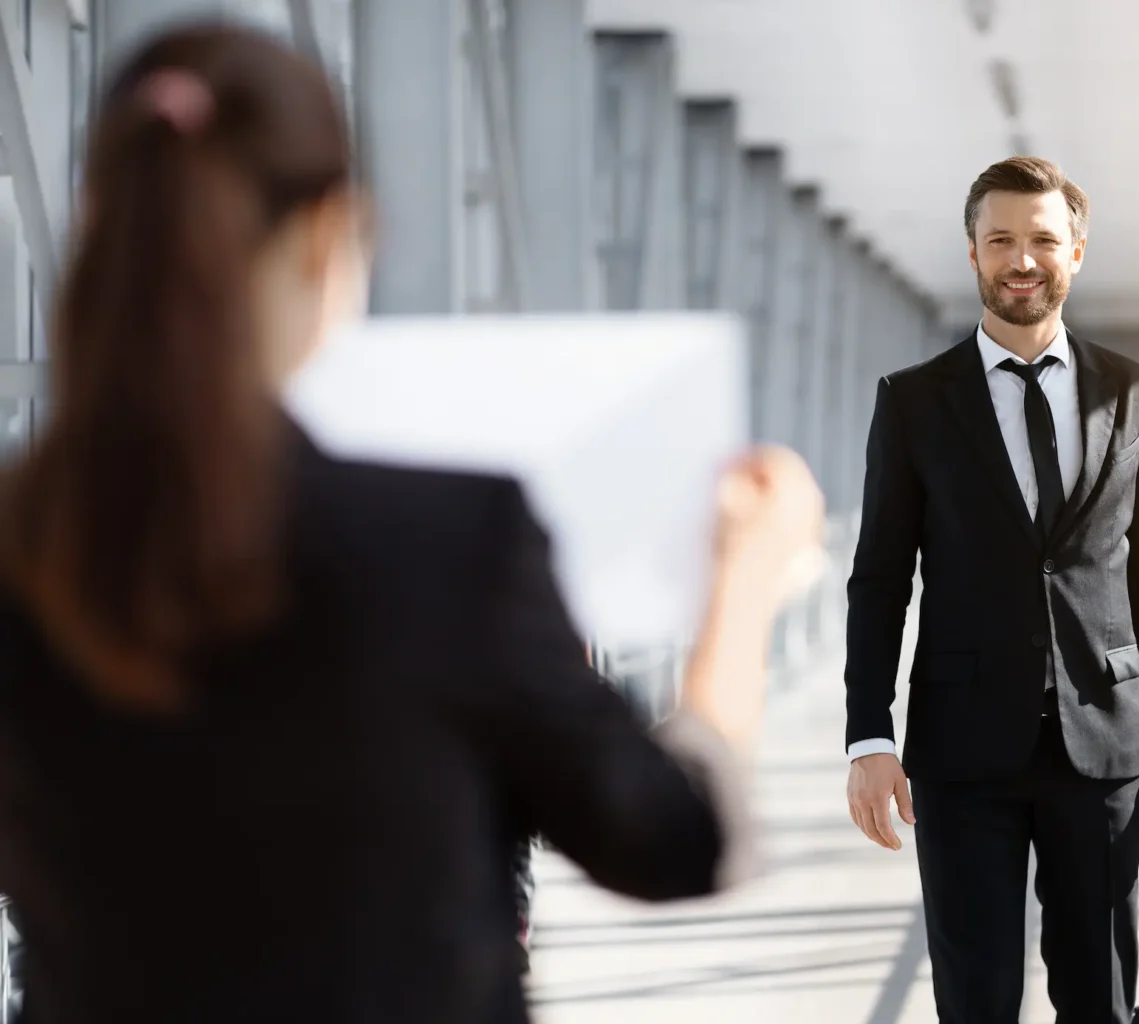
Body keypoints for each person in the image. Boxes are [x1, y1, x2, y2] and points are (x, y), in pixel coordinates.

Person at [0, 22, 823, 1024]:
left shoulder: (27, 544)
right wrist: (742, 588)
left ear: (104, 221)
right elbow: (672, 838)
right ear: (328, 236)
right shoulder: (448, 539)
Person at [842, 156, 1139, 1023]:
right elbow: (879, 578)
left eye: (1043, 240)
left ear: (1077, 252)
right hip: (960, 752)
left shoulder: (1137, 392)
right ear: (974, 253)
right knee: (977, 999)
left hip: (1100, 747)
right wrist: (867, 736)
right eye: (1002, 241)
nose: (1023, 260)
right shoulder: (912, 403)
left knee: (1100, 1000)